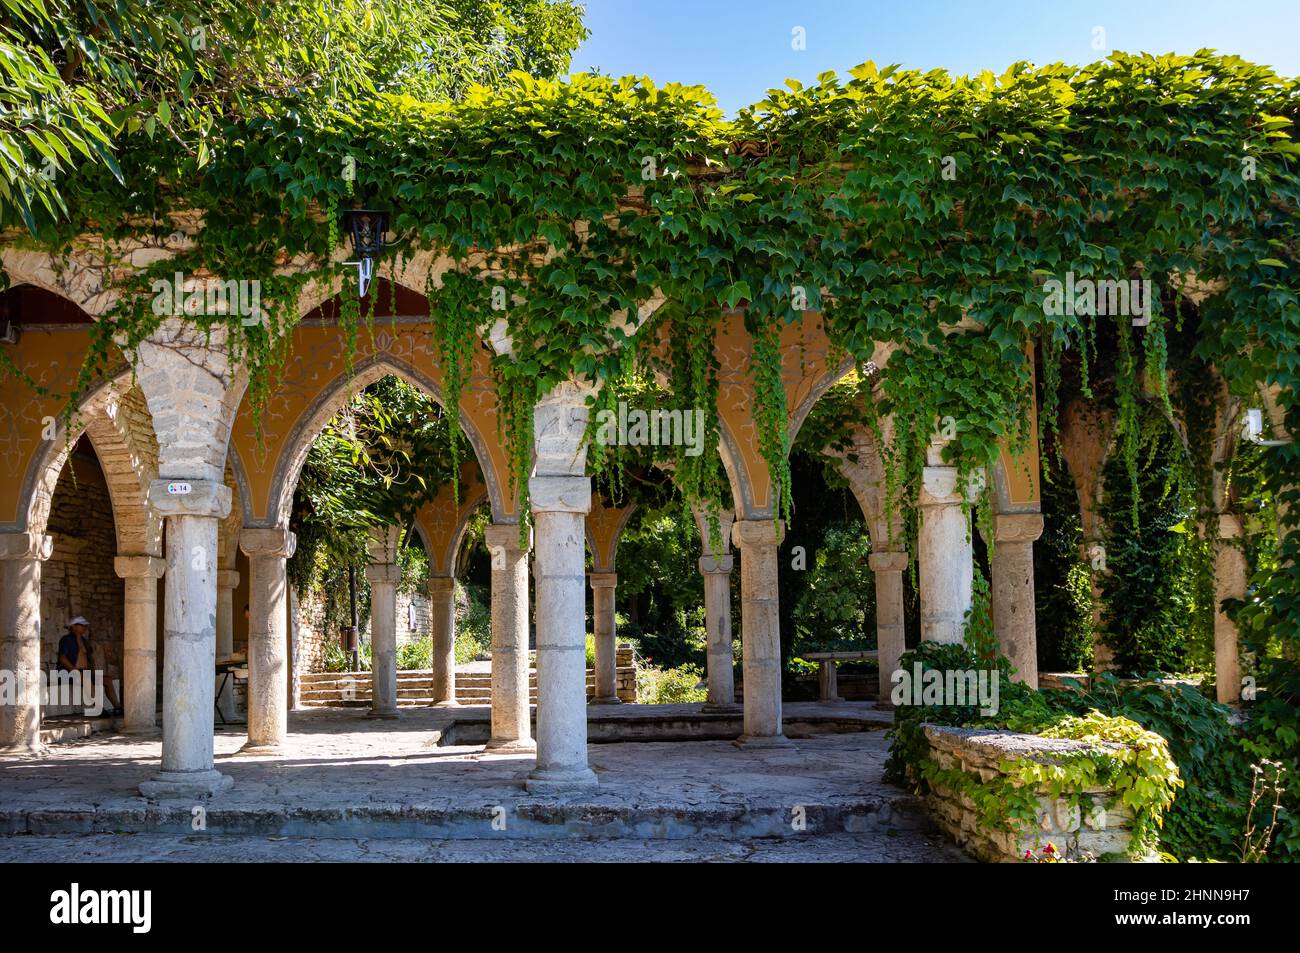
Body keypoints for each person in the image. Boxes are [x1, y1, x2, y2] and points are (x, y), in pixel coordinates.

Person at [57, 616, 121, 715]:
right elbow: (63, 659)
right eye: (82, 625)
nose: (84, 627)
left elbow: (89, 658)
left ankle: (117, 707)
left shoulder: (84, 640)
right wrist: (75, 671)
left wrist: (93, 671)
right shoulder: (66, 640)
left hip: (84, 672)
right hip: (68, 673)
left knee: (107, 680)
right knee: (86, 679)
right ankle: (99, 708)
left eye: (85, 625)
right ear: (73, 626)